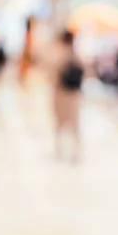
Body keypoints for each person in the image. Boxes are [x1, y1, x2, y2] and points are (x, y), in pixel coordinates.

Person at [51, 30, 83, 163]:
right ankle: (74, 151)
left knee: (60, 122)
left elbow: (55, 74)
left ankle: (61, 149)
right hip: (74, 94)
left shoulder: (61, 55)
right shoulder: (76, 55)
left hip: (62, 94)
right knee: (74, 124)